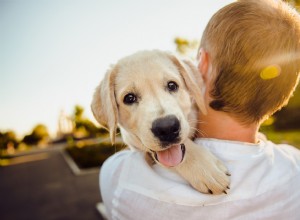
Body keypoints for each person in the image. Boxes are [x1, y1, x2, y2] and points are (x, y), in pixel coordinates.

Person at [99, 0, 300, 219]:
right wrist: (188, 155)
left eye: (172, 86)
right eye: (130, 98)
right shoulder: (294, 166)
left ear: (202, 64)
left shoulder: (120, 178)